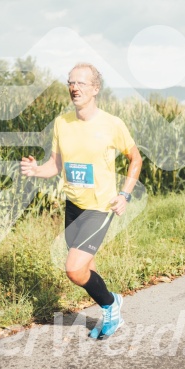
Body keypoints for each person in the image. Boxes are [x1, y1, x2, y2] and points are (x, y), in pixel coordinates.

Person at [20, 62, 142, 339]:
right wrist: (36, 170)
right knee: (87, 265)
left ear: (95, 89)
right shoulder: (62, 123)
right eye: (70, 83)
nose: (74, 88)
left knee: (74, 269)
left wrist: (124, 194)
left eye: (81, 83)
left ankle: (112, 305)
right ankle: (110, 305)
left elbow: (136, 158)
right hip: (73, 206)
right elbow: (55, 164)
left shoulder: (112, 124)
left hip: (100, 207)